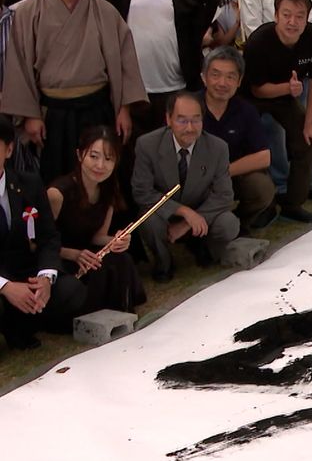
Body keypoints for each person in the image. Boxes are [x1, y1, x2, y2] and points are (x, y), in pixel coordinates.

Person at [1, 0, 147, 183]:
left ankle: (103, 224)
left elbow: (125, 64)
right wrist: (30, 115)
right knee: (55, 180)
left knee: (99, 177)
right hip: (52, 113)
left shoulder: (105, 12)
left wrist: (123, 108)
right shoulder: (27, 13)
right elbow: (19, 66)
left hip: (97, 108)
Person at [241, 0, 312, 223]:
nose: (292, 22)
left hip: (288, 98)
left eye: (299, 16)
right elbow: (256, 89)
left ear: (307, 18)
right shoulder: (259, 41)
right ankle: (264, 203)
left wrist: (310, 123)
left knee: (307, 141)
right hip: (253, 99)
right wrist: (287, 88)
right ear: (276, 16)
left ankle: (294, 203)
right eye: (286, 15)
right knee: (258, 146)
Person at [132, 92, 239, 282]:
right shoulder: (146, 144)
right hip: (164, 210)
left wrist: (188, 222)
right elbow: (142, 192)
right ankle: (164, 263)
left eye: (196, 120)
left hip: (200, 209)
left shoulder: (218, 147)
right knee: (147, 220)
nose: (190, 128)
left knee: (228, 224)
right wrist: (183, 212)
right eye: (182, 120)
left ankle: (205, 250)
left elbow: (224, 195)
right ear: (168, 119)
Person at [0, 115, 86, 350]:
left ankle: (29, 319)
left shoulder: (28, 183)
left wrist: (46, 277)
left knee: (72, 291)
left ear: (8, 150)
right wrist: (6, 286)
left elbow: (49, 236)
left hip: (26, 270)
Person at [47, 126, 145, 314]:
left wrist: (117, 240)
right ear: (79, 154)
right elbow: (36, 244)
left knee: (120, 258)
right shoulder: (57, 194)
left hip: (87, 255)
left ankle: (121, 311)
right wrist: (73, 254)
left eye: (108, 159)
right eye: (94, 156)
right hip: (58, 259)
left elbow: (97, 237)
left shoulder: (108, 188)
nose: (100, 165)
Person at [201, 47, 274, 232]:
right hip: (196, 178)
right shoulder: (190, 107)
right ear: (204, 77)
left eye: (230, 77)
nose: (222, 83)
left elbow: (264, 157)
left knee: (262, 188)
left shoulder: (246, 110)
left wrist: (222, 173)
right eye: (215, 75)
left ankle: (240, 225)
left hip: (231, 175)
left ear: (239, 81)